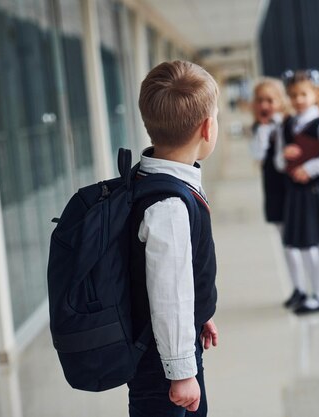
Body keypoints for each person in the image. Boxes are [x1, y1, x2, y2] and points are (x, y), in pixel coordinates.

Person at [128, 60, 219, 417]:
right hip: (160, 362)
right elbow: (168, 293)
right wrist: (181, 372)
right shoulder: (169, 205)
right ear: (208, 128)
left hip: (169, 347)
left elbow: (180, 281)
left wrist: (200, 312)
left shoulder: (155, 182)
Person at [275, 69, 319, 315]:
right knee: (304, 243)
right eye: (293, 95)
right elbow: (279, 162)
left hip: (316, 190)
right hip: (296, 191)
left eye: (303, 94)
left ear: (316, 94)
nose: (298, 100)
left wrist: (309, 167)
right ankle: (315, 292)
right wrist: (285, 158)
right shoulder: (288, 125)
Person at [250, 78, 307, 309]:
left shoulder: (291, 124)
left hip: (291, 186)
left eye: (271, 100)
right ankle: (298, 287)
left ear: (280, 101)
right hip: (273, 186)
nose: (266, 105)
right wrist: (263, 128)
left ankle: (307, 288)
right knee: (285, 240)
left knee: (298, 240)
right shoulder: (259, 127)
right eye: (261, 100)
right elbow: (258, 154)